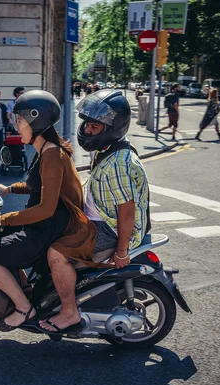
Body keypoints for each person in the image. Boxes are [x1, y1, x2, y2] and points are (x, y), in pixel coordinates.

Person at [0, 90, 96, 332]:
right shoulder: (47, 150)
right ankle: (25, 289)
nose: (16, 125)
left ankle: (22, 307)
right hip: (48, 223)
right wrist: (9, 190)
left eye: (19, 120)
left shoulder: (51, 155)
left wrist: (4, 218)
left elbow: (45, 208)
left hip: (50, 227)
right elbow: (36, 185)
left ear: (35, 120)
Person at [38, 89, 149, 335]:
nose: (87, 130)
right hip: (97, 219)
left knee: (56, 254)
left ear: (113, 127)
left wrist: (122, 252)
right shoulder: (106, 150)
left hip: (109, 227)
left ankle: (69, 312)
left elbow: (127, 211)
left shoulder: (119, 162)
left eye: (94, 127)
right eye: (87, 124)